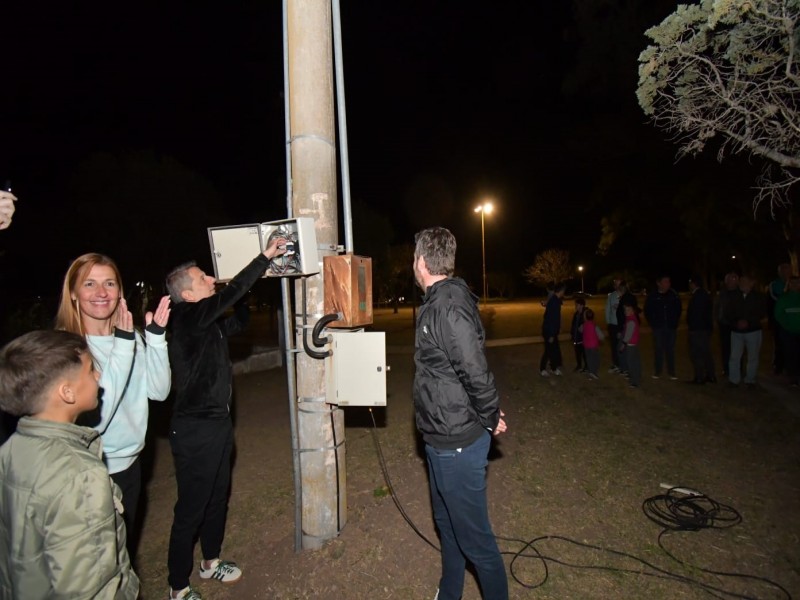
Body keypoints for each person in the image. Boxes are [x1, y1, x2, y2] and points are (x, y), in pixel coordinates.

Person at [164, 235, 286, 600]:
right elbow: (228, 295)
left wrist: (245, 295)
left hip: (218, 424)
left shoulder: (207, 321)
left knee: (218, 497)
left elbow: (238, 319)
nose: (211, 280)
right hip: (194, 428)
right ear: (187, 294)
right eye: (203, 278)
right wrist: (263, 257)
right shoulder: (186, 317)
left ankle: (210, 563)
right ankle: (178, 585)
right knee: (191, 508)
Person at [0, 330, 139, 599]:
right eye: (90, 370)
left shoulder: (11, 450)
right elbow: (91, 587)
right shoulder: (80, 474)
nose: (98, 376)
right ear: (67, 392)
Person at [411, 226, 508, 600]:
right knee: (446, 524)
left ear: (421, 262)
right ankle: (449, 591)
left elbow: (474, 368)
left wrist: (489, 413)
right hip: (440, 436)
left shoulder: (447, 306)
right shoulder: (440, 300)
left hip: (457, 443)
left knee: (475, 540)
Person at [55, 253, 172, 560]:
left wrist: (156, 340)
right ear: (73, 294)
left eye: (109, 283)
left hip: (130, 467)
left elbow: (158, 392)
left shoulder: (129, 336)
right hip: (92, 474)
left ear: (120, 291)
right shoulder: (68, 348)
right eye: (89, 284)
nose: (101, 292)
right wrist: (122, 344)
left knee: (123, 557)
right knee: (99, 566)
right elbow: (97, 420)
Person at [724, 274, 767, 388]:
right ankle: (734, 379)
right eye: (741, 281)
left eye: (745, 281)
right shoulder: (734, 297)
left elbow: (761, 313)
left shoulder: (759, 297)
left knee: (753, 356)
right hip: (737, 332)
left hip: (753, 331)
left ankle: (750, 379)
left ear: (752, 283)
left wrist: (748, 322)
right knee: (734, 356)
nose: (742, 284)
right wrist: (736, 322)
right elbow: (728, 313)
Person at [644, 275, 682, 380]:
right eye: (665, 282)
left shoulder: (673, 295)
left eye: (669, 282)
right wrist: (653, 323)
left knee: (670, 349)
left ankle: (672, 372)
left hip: (671, 327)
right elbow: (647, 311)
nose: (667, 284)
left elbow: (678, 309)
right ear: (659, 283)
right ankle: (658, 371)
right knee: (658, 348)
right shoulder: (653, 296)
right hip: (658, 327)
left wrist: (674, 322)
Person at [686, 276, 716, 384]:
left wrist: (692, 328)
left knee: (697, 353)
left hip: (698, 329)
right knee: (705, 352)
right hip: (704, 329)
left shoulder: (698, 296)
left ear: (693, 284)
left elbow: (696, 314)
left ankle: (700, 377)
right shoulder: (704, 295)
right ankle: (710, 375)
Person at [774, 276, 800, 386]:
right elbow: (778, 315)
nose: (794, 285)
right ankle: (792, 377)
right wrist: (787, 325)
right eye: (792, 283)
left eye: (797, 283)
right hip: (788, 332)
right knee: (791, 354)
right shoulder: (784, 299)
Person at [768, 263, 791, 374]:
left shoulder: (795, 282)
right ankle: (779, 365)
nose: (785, 273)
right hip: (779, 319)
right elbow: (776, 297)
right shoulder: (775, 284)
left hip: (793, 320)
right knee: (779, 343)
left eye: (787, 270)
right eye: (783, 270)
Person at [715, 272, 740, 377]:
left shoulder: (740, 293)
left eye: (733, 279)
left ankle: (738, 369)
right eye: (729, 280)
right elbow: (717, 307)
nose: (731, 282)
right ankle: (727, 369)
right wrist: (716, 319)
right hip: (724, 324)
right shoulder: (722, 293)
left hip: (736, 325)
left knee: (738, 348)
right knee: (725, 348)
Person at [540, 282, 565, 377]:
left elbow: (555, 318)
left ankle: (553, 368)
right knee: (548, 350)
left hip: (552, 330)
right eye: (563, 291)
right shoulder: (554, 301)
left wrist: (558, 329)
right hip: (549, 331)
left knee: (553, 350)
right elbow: (550, 318)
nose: (564, 293)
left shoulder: (556, 300)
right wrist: (551, 334)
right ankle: (542, 369)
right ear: (561, 291)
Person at [620, 300, 642, 388]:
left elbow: (628, 335)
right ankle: (636, 376)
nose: (626, 311)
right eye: (625, 310)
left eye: (628, 310)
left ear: (633, 311)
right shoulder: (631, 318)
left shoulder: (631, 321)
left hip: (631, 344)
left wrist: (623, 344)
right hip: (634, 343)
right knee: (635, 361)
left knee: (631, 363)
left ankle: (634, 381)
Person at [605, 278, 622, 373]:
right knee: (614, 346)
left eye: (620, 284)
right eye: (616, 284)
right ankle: (616, 364)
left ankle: (623, 365)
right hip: (613, 325)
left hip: (622, 325)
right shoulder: (611, 296)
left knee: (623, 346)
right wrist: (608, 322)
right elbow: (607, 309)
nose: (618, 286)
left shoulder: (626, 295)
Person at [582, 307, 605, 380]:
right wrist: (601, 340)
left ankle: (590, 372)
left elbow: (580, 330)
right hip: (593, 346)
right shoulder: (594, 326)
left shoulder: (584, 325)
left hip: (586, 345)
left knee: (589, 359)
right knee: (595, 359)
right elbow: (601, 336)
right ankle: (593, 372)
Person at [570, 296, 587, 371]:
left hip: (583, 338)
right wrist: (572, 334)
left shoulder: (585, 314)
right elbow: (573, 325)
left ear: (582, 305)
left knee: (584, 353)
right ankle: (579, 365)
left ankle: (586, 366)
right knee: (577, 353)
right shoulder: (576, 314)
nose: (575, 306)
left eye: (577, 305)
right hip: (576, 337)